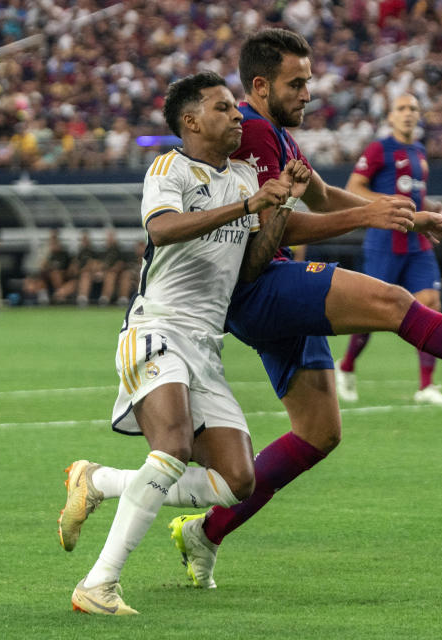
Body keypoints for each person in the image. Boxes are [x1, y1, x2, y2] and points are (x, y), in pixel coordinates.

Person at [58, 28, 442, 593]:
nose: (309, 91)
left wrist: (405, 212)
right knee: (394, 304)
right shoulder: (252, 132)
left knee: (318, 431)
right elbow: (271, 222)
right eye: (297, 82)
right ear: (261, 85)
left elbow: (323, 197)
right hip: (260, 286)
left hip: (254, 295)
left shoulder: (275, 135)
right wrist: (370, 217)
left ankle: (204, 533)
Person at [64, 71, 310, 615]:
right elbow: (163, 229)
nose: (237, 115)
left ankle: (99, 479)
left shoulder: (246, 176)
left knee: (237, 481)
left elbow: (249, 267)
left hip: (205, 344)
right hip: (156, 328)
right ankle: (98, 584)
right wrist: (248, 209)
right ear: (191, 121)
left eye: (235, 107)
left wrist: (283, 204)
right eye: (223, 108)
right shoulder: (169, 167)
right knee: (172, 447)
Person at [335, 93, 442, 407]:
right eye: (401, 108)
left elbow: (416, 198)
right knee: (372, 315)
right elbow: (353, 188)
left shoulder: (419, 151)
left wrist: (431, 210)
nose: (408, 113)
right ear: (390, 117)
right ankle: (345, 367)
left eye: (413, 108)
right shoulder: (379, 148)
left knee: (430, 303)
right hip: (385, 242)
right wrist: (388, 206)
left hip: (418, 241)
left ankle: (426, 386)